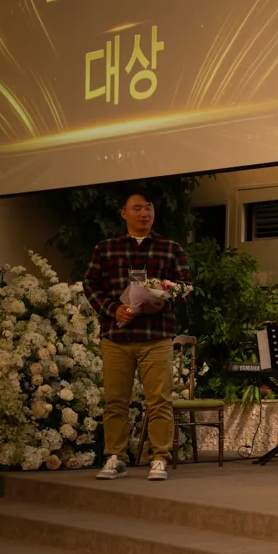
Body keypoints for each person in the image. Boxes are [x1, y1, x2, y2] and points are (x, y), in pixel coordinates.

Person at [84, 191, 193, 482]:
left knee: (159, 400)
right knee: (115, 401)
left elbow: (185, 285)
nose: (144, 213)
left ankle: (159, 457)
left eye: (148, 208)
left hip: (155, 335)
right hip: (116, 336)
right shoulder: (106, 248)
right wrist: (113, 309)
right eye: (137, 208)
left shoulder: (170, 248)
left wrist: (163, 302)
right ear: (123, 213)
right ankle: (115, 457)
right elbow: (90, 284)